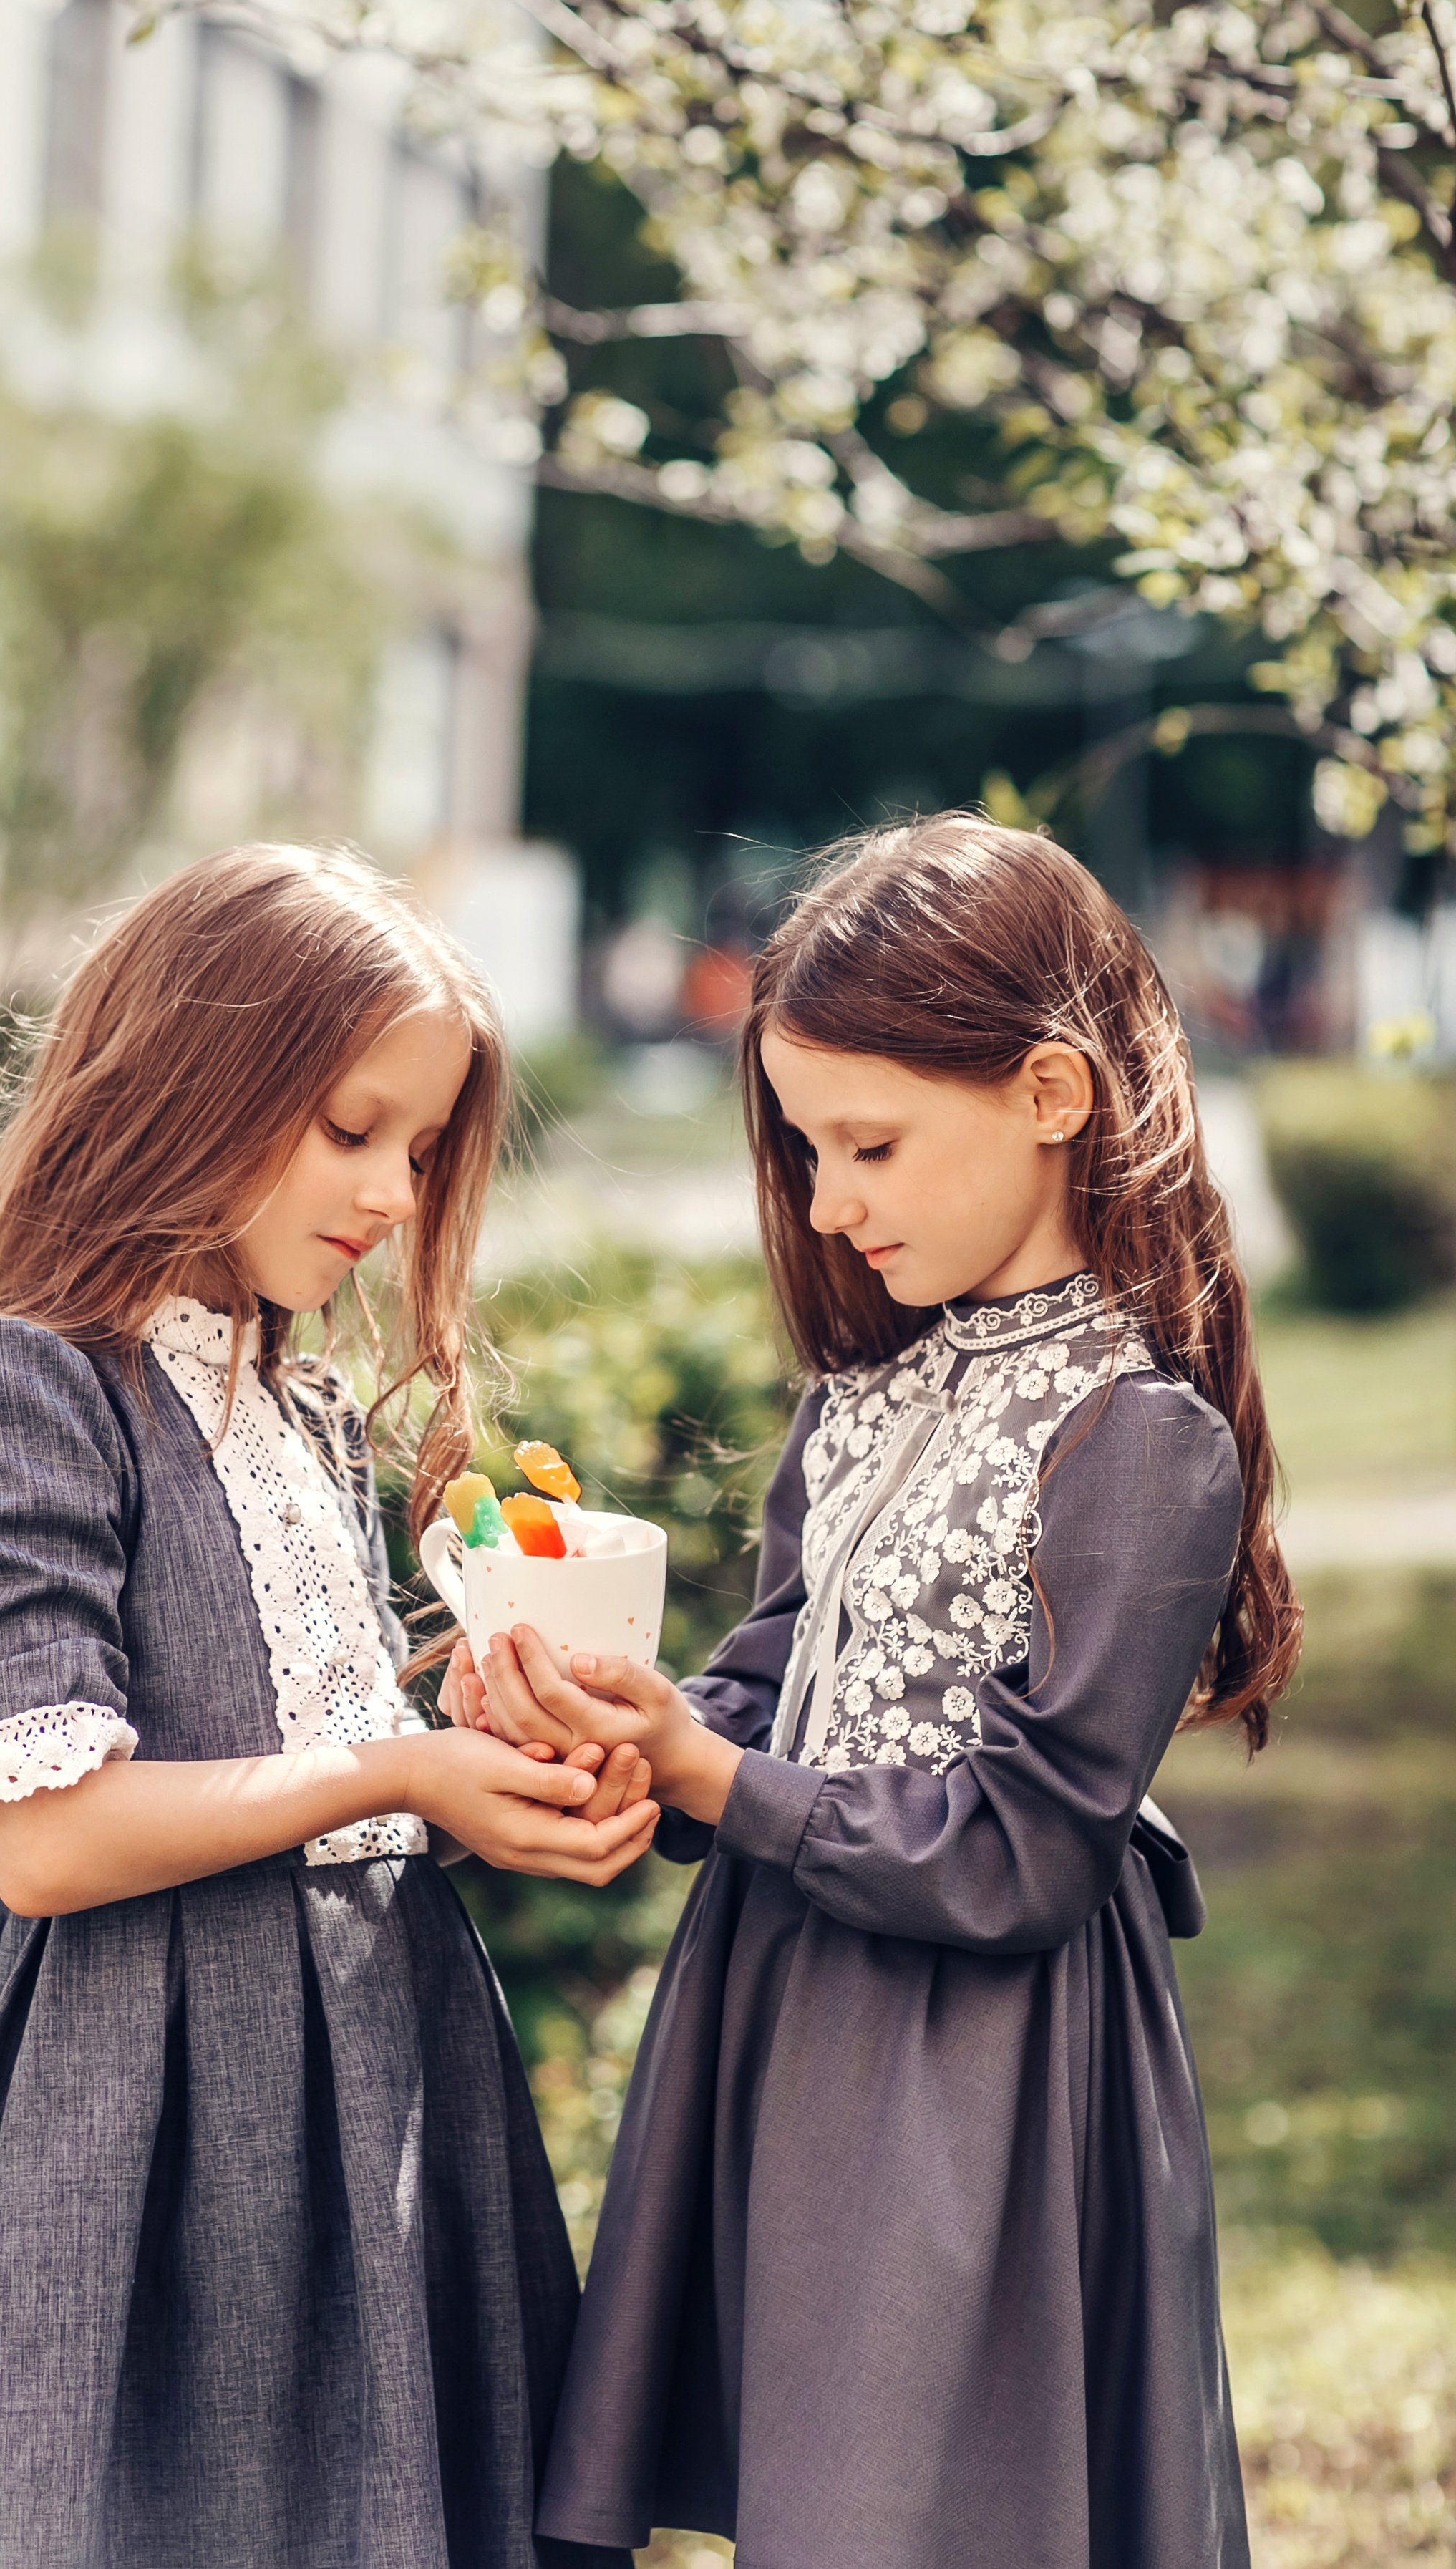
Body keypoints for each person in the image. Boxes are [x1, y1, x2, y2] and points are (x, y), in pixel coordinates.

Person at [457, 815, 1300, 2569]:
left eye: (869, 1143)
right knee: (801, 2477)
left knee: (909, 2502)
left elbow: (1027, 1849)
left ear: (1053, 1094)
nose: (827, 1199)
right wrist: (620, 1714)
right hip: (779, 1999)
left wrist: (714, 1776)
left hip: (970, 2068)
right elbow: (774, 1668)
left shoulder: (1138, 1438)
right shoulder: (865, 1393)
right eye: (803, 1146)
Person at [0, 844, 654, 2569]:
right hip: (147, 2131)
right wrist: (403, 1765)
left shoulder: (304, 1403)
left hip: (384, 2095)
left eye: (419, 1149)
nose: (395, 1195)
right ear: (192, 1080)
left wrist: (489, 1758)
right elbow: (47, 1840)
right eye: (350, 1128)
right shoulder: (30, 1385)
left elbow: (329, 1778)